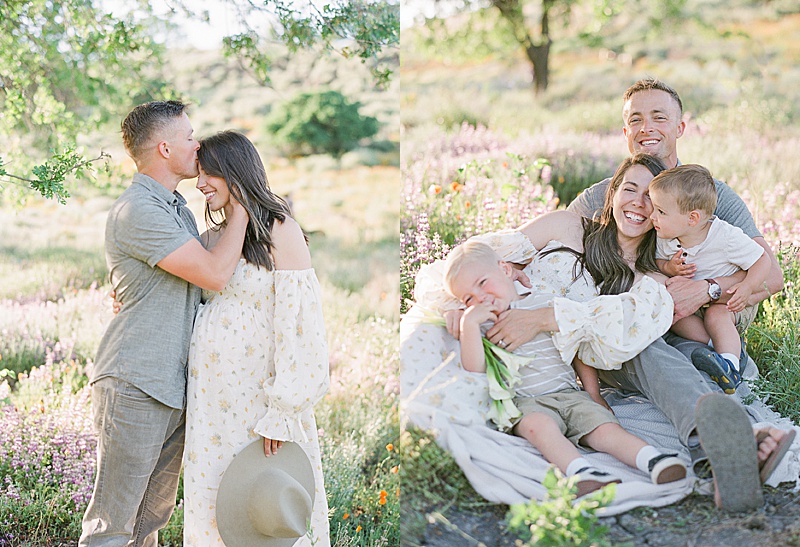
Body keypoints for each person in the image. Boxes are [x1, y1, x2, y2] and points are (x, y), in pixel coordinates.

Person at [445, 153, 793, 511]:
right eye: (630, 189)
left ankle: (723, 444)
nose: (639, 204)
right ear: (612, 193)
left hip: (590, 361)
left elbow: (617, 329)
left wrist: (545, 318)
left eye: (652, 200)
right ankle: (732, 444)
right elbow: (481, 254)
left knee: (645, 347)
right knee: (650, 347)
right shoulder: (566, 225)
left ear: (663, 213)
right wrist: (462, 300)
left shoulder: (653, 276)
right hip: (512, 354)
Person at [81, 101, 249, 545]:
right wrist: (244, 210)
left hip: (173, 382)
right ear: (164, 147)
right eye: (190, 136)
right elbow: (214, 273)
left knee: (147, 523)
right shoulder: (139, 209)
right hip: (136, 380)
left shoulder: (177, 208)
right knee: (112, 526)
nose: (198, 144)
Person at [443, 240, 687, 497]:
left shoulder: (544, 304)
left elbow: (577, 349)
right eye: (468, 297)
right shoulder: (480, 324)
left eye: (483, 283)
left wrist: (593, 394)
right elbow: (475, 372)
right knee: (537, 427)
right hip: (527, 401)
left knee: (603, 429)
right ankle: (582, 472)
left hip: (569, 393)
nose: (480, 298)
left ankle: (653, 460)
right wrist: (468, 326)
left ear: (504, 270)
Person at [182, 130, 330, 546]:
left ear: (235, 172)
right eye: (198, 174)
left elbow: (303, 327)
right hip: (212, 404)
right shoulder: (215, 236)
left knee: (263, 505)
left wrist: (282, 410)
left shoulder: (281, 230)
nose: (200, 184)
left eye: (208, 173)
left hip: (259, 403)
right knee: (217, 506)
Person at [649, 164, 770, 393]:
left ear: (692, 218)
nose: (652, 216)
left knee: (716, 315)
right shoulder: (667, 235)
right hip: (694, 306)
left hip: (730, 300)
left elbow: (762, 260)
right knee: (675, 318)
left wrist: (747, 287)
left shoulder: (725, 236)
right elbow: (656, 263)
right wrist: (669, 267)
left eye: (661, 211)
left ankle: (730, 368)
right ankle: (724, 347)